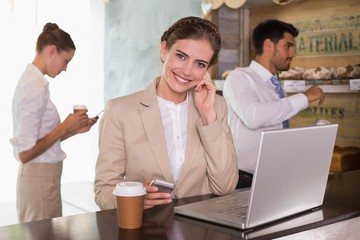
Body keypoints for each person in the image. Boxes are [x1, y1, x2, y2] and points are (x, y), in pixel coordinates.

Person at [94, 16, 238, 210]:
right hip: (146, 230)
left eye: (200, 64)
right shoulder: (121, 111)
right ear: (164, 50)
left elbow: (225, 187)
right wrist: (134, 201)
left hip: (200, 232)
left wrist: (208, 117)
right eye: (181, 56)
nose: (187, 70)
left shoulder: (216, 107)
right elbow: (104, 189)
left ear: (208, 70)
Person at [10, 22, 98, 222]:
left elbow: (40, 141)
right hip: (39, 181)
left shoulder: (34, 83)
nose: (65, 68)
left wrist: (73, 130)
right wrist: (64, 127)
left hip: (42, 180)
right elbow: (24, 153)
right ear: (52, 51)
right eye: (66, 60)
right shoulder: (33, 87)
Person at [222, 19, 325, 189]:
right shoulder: (239, 78)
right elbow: (253, 117)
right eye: (288, 46)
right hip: (243, 180)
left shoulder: (275, 86)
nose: (293, 53)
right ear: (269, 45)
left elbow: (275, 126)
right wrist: (304, 97)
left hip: (273, 177)